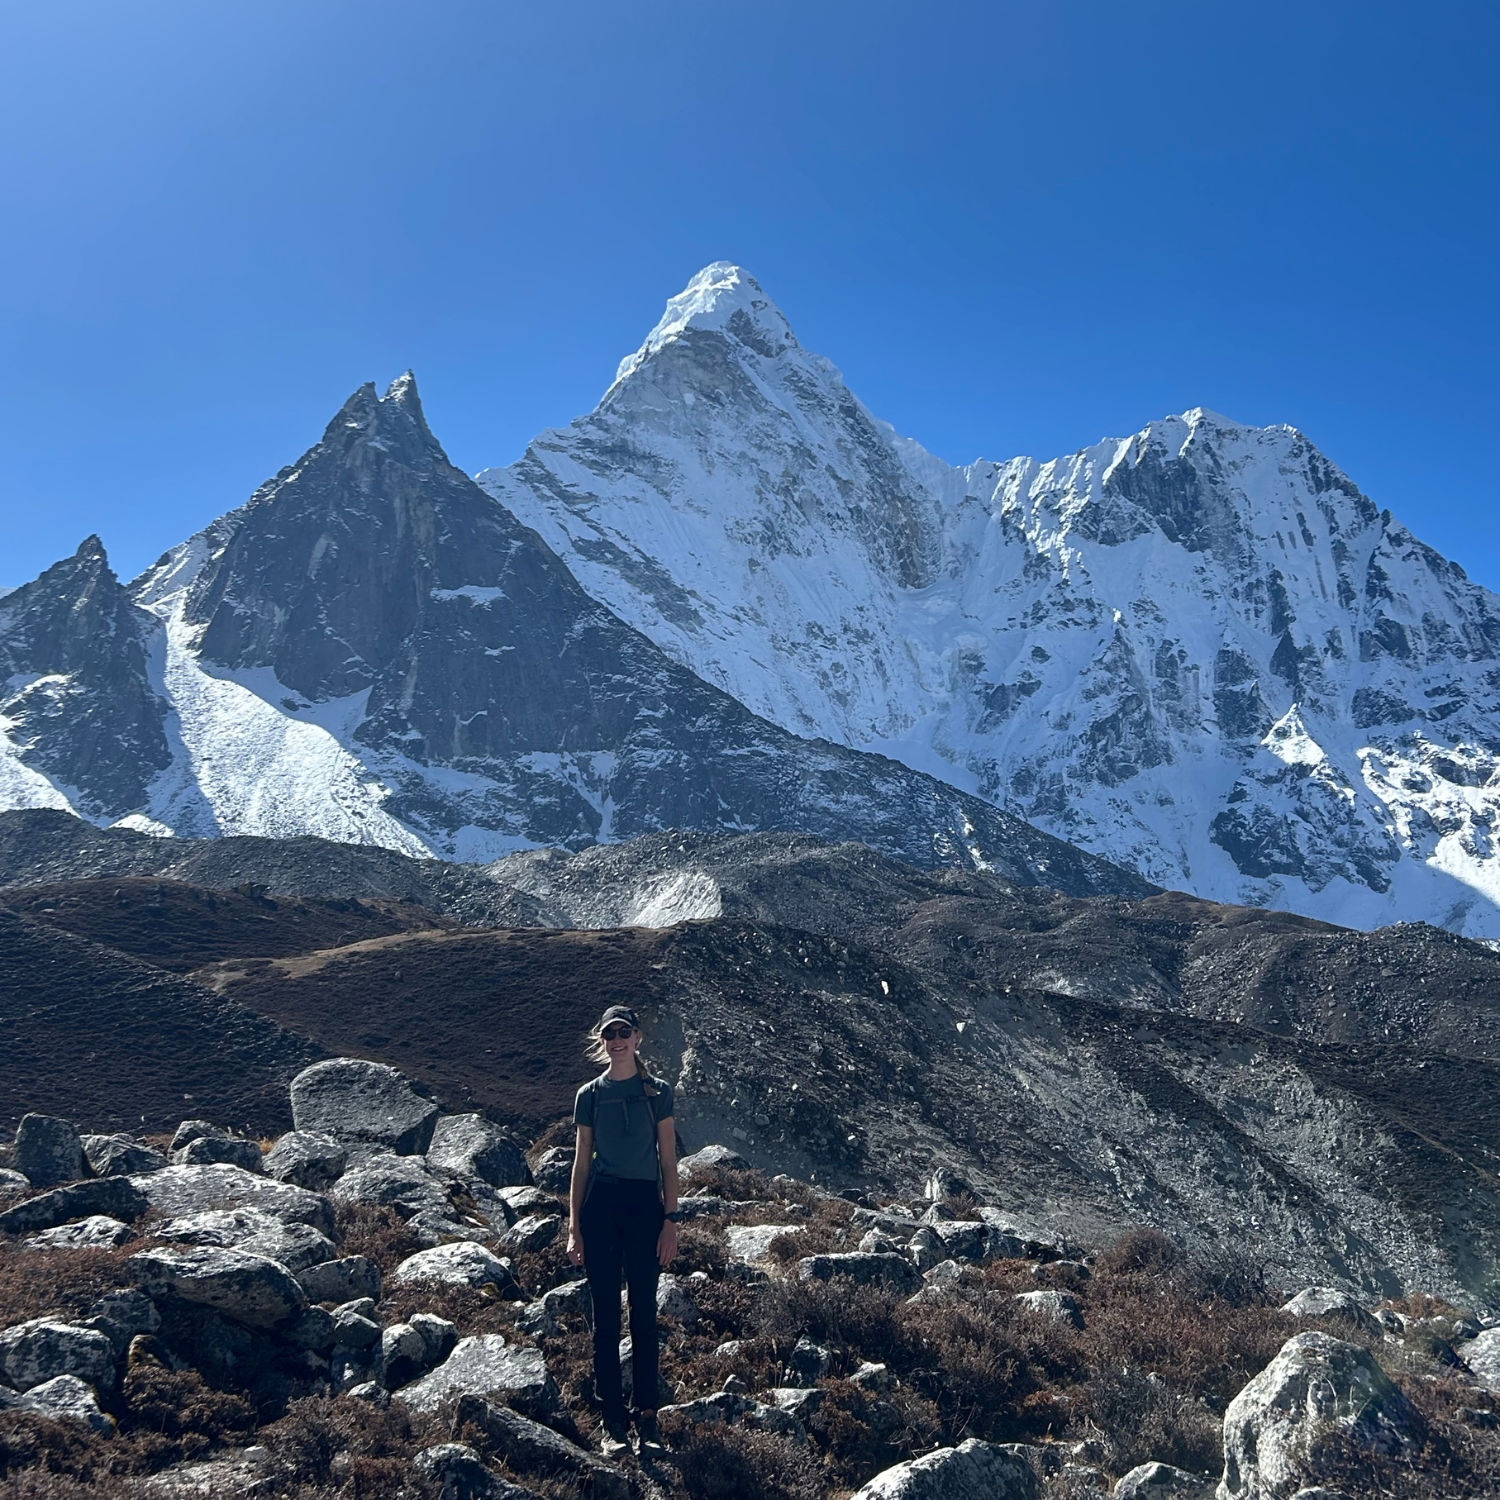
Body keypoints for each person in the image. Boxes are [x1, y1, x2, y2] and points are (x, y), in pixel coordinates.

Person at [567, 1004, 682, 1457]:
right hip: (601, 1207)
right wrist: (574, 1226)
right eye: (609, 1033)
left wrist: (671, 1221)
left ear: (637, 1037)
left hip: (643, 1207)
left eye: (624, 1032)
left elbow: (668, 1162)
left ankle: (647, 1417)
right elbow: (580, 1164)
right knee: (606, 1321)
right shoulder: (589, 1095)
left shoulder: (658, 1093)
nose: (617, 1040)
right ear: (603, 1040)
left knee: (644, 1316)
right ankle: (612, 1419)